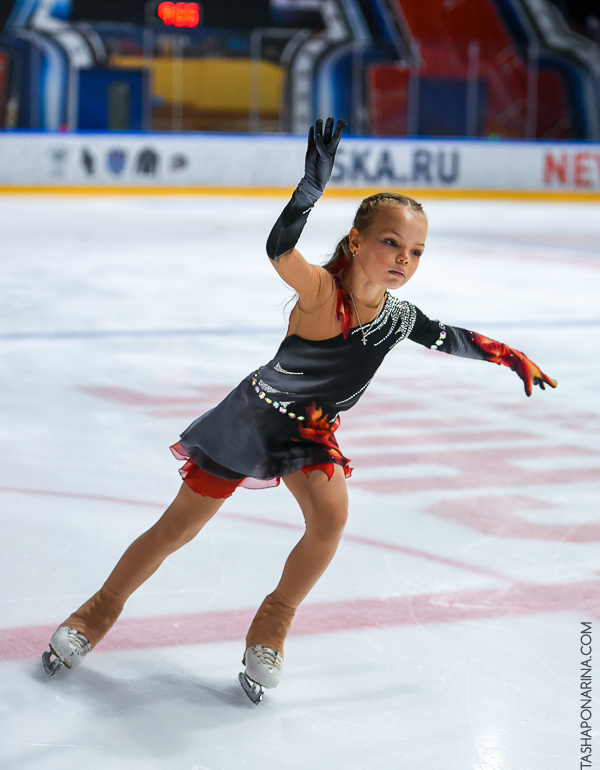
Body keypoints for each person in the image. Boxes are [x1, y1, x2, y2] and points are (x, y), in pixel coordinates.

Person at [42, 118, 557, 703]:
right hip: (252, 421)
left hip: (309, 434)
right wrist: (307, 192)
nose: (404, 259)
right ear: (358, 242)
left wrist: (509, 356)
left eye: (415, 251)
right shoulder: (320, 294)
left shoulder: (399, 317)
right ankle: (98, 611)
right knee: (178, 528)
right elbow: (278, 250)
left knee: (330, 518)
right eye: (391, 243)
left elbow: (449, 337)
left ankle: (272, 624)